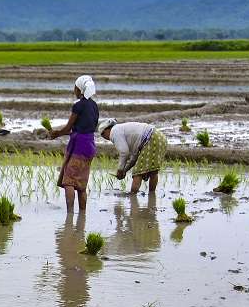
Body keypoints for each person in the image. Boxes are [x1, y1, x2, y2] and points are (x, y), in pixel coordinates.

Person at [48, 75, 99, 211]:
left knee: (69, 181)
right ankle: (82, 216)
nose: (74, 90)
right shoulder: (94, 106)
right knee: (81, 185)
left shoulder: (78, 105)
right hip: (90, 145)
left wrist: (56, 133)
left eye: (75, 87)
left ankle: (69, 215)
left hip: (79, 146)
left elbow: (68, 128)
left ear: (79, 89)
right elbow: (91, 127)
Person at [98, 118, 167, 195]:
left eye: (103, 135)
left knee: (137, 172)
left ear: (107, 130)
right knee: (153, 171)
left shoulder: (114, 131)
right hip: (159, 137)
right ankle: (152, 196)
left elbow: (124, 153)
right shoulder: (123, 130)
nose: (106, 138)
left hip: (150, 138)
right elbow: (134, 158)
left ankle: (132, 196)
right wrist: (125, 170)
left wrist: (120, 170)